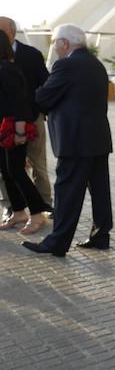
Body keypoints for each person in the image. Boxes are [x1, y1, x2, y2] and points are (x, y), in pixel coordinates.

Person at [22, 24, 113, 258]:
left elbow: (43, 98)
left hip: (75, 142)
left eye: (54, 43)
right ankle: (101, 236)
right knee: (100, 191)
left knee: (67, 193)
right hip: (98, 139)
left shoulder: (66, 65)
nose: (55, 48)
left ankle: (57, 243)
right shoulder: (96, 64)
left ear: (64, 43)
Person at [0, 31, 51, 233]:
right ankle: (19, 212)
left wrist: (20, 132)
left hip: (14, 127)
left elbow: (19, 101)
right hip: (5, 126)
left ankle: (37, 214)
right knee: (6, 170)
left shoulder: (7, 69)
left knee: (17, 171)